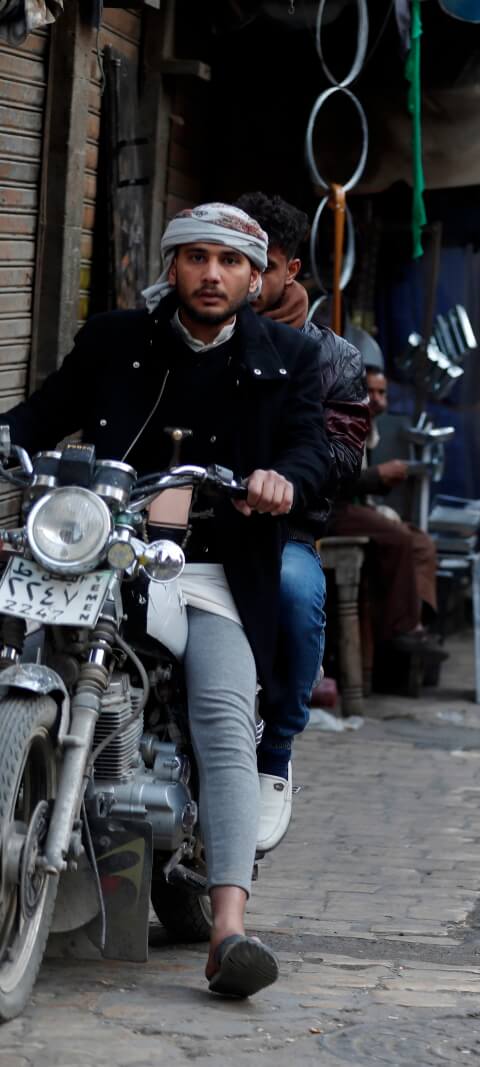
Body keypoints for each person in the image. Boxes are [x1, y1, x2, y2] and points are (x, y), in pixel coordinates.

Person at [2, 203, 330, 996]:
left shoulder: (286, 355)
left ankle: (227, 929)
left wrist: (283, 479)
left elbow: (312, 448)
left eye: (228, 261)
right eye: (195, 258)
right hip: (106, 555)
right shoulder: (115, 339)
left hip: (213, 569)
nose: (210, 274)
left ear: (256, 277)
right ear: (172, 267)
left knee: (222, 712)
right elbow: (42, 413)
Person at [234, 191, 371, 853]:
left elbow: (345, 455)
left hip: (284, 528)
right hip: (189, 521)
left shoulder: (331, 357)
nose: (240, 275)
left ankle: (278, 743)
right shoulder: (195, 332)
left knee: (294, 591)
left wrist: (283, 473)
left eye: (258, 262)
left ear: (290, 269)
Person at [331, 368, 445, 665]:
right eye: (372, 392)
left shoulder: (369, 425)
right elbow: (336, 480)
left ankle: (417, 624)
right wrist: (377, 476)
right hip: (330, 510)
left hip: (355, 507)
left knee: (422, 543)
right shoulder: (341, 420)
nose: (378, 400)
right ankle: (400, 628)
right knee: (399, 537)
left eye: (383, 393)